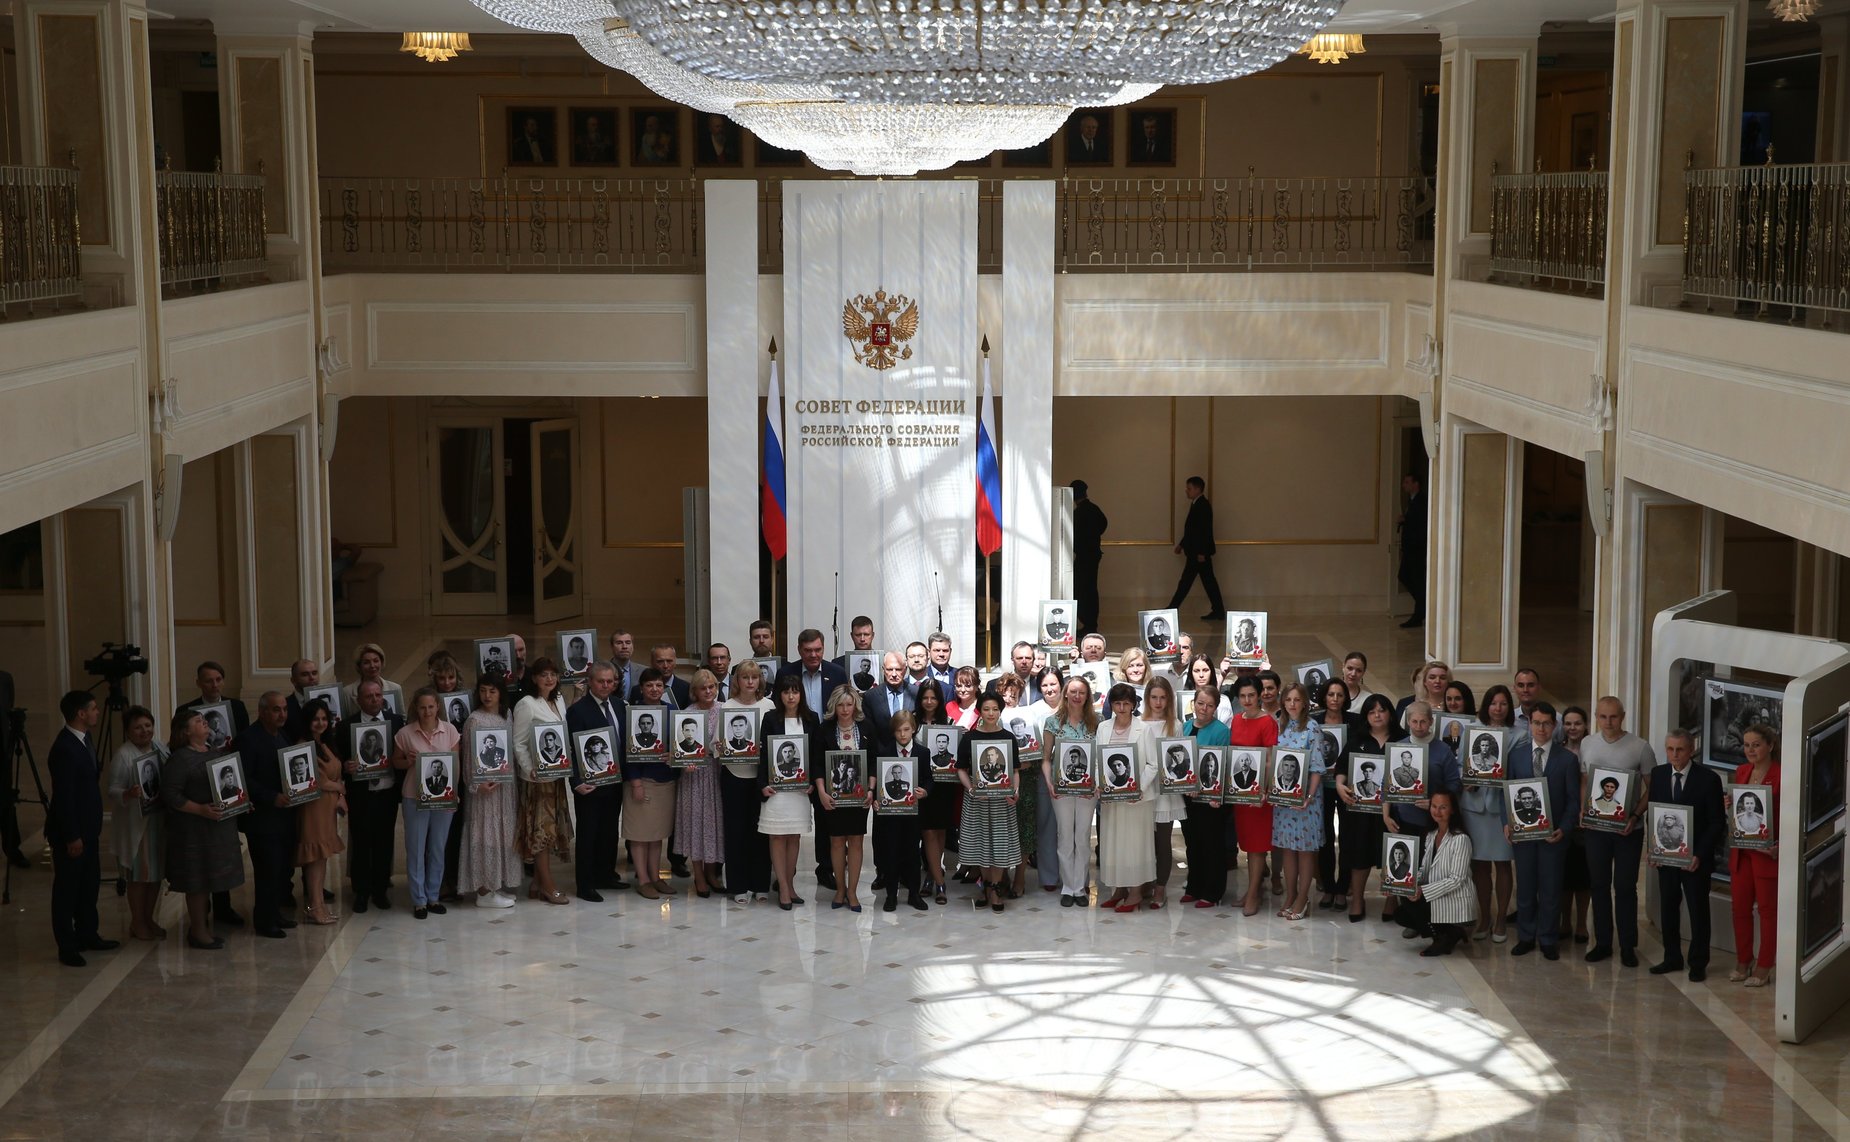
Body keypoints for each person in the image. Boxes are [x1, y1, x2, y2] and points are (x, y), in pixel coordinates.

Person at [1576, 697, 1652, 967]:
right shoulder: (1587, 744)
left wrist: (1635, 816)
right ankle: (1603, 943)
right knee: (1598, 884)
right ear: (1596, 716)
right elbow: (1585, 780)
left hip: (1628, 830)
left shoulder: (1640, 747)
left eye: (1614, 717)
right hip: (1596, 828)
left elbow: (1651, 787)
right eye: (1603, 717)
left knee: (1624, 886)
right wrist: (1584, 808)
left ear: (1623, 716)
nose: (1609, 722)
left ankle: (1628, 946)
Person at [1503, 704, 1579, 960]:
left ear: (1554, 726)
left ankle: (1547, 938)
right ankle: (1525, 936)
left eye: (1547, 723)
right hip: (1523, 836)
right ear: (1530, 724)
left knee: (1550, 889)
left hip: (1552, 837)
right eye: (1537, 723)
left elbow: (1572, 802)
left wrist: (1564, 829)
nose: (1542, 728)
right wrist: (1507, 822)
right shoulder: (1516, 756)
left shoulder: (1567, 759)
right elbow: (1507, 793)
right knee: (1525, 888)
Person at [164, 709, 243, 951]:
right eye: (198, 721)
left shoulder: (214, 751)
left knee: (211, 877)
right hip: (194, 830)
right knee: (197, 881)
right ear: (186, 731)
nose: (204, 723)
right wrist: (200, 809)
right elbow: (170, 795)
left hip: (217, 828)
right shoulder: (179, 759)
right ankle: (198, 930)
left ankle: (204, 926)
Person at [1649, 730, 1725, 982]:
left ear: (1691, 750)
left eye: (1679, 750)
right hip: (1667, 858)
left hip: (1695, 861)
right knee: (1668, 908)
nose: (1674, 755)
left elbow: (1716, 823)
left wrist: (1699, 855)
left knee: (1697, 910)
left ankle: (1698, 962)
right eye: (1670, 749)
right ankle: (1672, 957)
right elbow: (1655, 815)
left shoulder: (1708, 779)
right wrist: (1653, 849)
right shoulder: (1659, 775)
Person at [47, 690, 113, 967]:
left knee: (88, 886)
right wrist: (72, 835)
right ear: (80, 714)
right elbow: (64, 797)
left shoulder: (85, 739)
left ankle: (88, 933)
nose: (98, 712)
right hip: (71, 833)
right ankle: (67, 945)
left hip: (89, 829)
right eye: (93, 709)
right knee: (67, 890)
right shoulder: (64, 748)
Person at [392, 689, 460, 920]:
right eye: (422, 707)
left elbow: (455, 765)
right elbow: (396, 762)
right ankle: (418, 900)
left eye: (431, 707)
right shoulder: (405, 733)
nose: (427, 711)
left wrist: (455, 794)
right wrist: (407, 761)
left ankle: (433, 896)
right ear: (416, 708)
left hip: (443, 798)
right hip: (414, 797)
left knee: (438, 848)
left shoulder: (450, 731)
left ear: (437, 707)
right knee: (416, 848)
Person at [338, 679, 404, 913]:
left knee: (384, 843)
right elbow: (340, 761)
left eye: (378, 695)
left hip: (387, 793)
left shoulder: (396, 722)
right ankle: (361, 891)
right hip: (361, 795)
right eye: (369, 696)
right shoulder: (347, 726)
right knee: (362, 843)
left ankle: (380, 890)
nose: (375, 700)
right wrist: (346, 767)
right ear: (359, 699)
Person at [514, 659, 574, 906]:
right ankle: (548, 886)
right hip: (537, 780)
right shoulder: (526, 704)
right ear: (534, 678)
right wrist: (530, 769)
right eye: (543, 675)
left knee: (552, 829)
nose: (549, 679)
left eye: (553, 674)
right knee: (542, 832)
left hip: (556, 777)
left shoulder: (558, 700)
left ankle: (538, 883)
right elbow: (518, 742)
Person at [565, 662, 626, 903]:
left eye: (610, 681)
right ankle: (585, 883)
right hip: (588, 785)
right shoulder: (577, 711)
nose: (605, 685)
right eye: (601, 681)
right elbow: (570, 750)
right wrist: (576, 781)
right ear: (590, 682)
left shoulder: (620, 706)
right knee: (588, 833)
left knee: (610, 832)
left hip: (615, 781)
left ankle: (606, 875)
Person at [459, 676, 521, 908]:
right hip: (484, 792)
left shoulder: (507, 715)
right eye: (483, 691)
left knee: (502, 834)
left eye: (492, 691)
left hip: (504, 788)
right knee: (484, 835)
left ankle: (496, 885)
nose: (487, 696)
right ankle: (484, 891)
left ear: (500, 693)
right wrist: (476, 785)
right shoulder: (474, 720)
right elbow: (467, 760)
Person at [107, 706, 167, 941]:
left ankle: (149, 918)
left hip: (158, 822)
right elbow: (112, 790)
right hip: (135, 827)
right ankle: (137, 921)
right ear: (128, 731)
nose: (144, 731)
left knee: (155, 876)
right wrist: (129, 793)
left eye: (147, 725)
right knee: (138, 878)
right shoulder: (123, 754)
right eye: (138, 727)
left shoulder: (160, 747)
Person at [959, 693, 1023, 914]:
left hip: (1001, 802)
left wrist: (1015, 790)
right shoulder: (969, 738)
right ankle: (987, 888)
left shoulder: (1008, 737)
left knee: (1000, 846)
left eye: (995, 709)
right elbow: (960, 769)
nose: (991, 713)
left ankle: (995, 889)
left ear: (1000, 711)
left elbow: (1015, 770)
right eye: (986, 709)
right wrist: (971, 789)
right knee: (981, 845)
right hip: (978, 801)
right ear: (980, 711)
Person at [1095, 684, 1157, 913]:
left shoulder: (1145, 729)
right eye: (1117, 703)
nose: (1121, 708)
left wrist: (1138, 786)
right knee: (1114, 845)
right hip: (1112, 800)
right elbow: (1097, 761)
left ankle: (1135, 893)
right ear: (1111, 704)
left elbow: (1153, 764)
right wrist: (1100, 784)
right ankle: (1119, 889)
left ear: (1134, 705)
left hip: (1136, 800)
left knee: (1135, 845)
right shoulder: (1103, 727)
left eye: (1126, 704)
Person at [1463, 684, 1516, 942]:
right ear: (1486, 705)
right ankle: (1484, 916)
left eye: (1503, 703)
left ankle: (1501, 919)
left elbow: (1520, 772)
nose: (1498, 708)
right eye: (1494, 703)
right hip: (1474, 806)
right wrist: (1467, 780)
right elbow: (1460, 764)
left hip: (1501, 808)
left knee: (1503, 864)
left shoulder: (1519, 735)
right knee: (1479, 866)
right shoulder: (1470, 731)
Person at [1728, 723, 1781, 986]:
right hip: (1742, 853)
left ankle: (1764, 965)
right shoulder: (1742, 771)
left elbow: (1794, 817)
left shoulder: (1782, 774)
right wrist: (1729, 803)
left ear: (1770, 745)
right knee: (1739, 908)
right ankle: (1743, 959)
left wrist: (1780, 845)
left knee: (1768, 911)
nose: (1750, 750)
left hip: (1766, 854)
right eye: (1746, 745)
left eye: (1756, 744)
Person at [621, 666, 680, 898]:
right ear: (641, 688)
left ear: (664, 688)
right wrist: (635, 782)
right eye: (649, 685)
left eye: (659, 685)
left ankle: (656, 877)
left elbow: (680, 745)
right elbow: (626, 751)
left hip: (665, 781)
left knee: (657, 834)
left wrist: (674, 755)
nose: (654, 689)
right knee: (639, 834)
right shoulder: (633, 714)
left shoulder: (672, 711)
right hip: (641, 781)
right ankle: (643, 880)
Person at [1337, 694, 1397, 923]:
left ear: (1390, 713)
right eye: (1372, 712)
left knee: (1390, 853)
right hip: (1361, 811)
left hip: (1392, 811)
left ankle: (1392, 899)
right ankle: (1358, 899)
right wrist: (1342, 786)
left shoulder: (1401, 739)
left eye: (1382, 710)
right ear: (1366, 716)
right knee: (1359, 852)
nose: (1377, 715)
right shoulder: (1357, 739)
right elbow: (1342, 767)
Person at [759, 673, 816, 910]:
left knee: (794, 836)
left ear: (801, 694)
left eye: (795, 691)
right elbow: (763, 756)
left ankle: (790, 885)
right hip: (776, 790)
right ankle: (782, 887)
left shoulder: (811, 718)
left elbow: (815, 754)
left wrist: (813, 782)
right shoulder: (771, 718)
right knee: (777, 836)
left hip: (800, 791)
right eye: (786, 691)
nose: (791, 696)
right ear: (779, 695)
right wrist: (763, 783)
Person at [1272, 683, 1327, 921]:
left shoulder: (1312, 728)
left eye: (1297, 700)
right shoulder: (1280, 726)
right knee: (1288, 850)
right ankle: (1290, 895)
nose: (1292, 704)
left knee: (1304, 851)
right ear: (1283, 702)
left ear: (1304, 702)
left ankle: (1303, 898)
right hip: (1283, 799)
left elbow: (1316, 767)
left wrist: (1309, 797)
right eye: (1288, 700)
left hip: (1307, 800)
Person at [814, 684, 871, 912]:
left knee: (856, 841)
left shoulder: (866, 727)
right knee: (836, 842)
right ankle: (839, 889)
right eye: (841, 705)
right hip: (833, 798)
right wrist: (821, 791)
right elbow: (817, 763)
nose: (845, 709)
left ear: (855, 705)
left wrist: (871, 789)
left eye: (849, 704)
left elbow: (874, 760)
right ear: (833, 706)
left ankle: (853, 892)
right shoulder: (824, 729)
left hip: (859, 798)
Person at [719, 662, 773, 903]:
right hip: (733, 776)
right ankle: (738, 886)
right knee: (736, 832)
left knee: (761, 832)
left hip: (762, 778)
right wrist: (718, 747)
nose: (750, 682)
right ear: (737, 681)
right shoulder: (726, 707)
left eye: (755, 677)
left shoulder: (769, 706)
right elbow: (715, 744)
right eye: (745, 677)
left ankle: (760, 883)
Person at [1227, 675, 1279, 915]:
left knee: (1258, 846)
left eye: (1251, 695)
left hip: (1260, 793)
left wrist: (1265, 790)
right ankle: (1252, 889)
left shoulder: (1267, 722)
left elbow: (1270, 760)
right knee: (1246, 844)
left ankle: (1254, 894)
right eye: (1243, 696)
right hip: (1241, 792)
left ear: (1259, 695)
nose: (1247, 700)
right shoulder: (1237, 720)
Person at [673, 670, 728, 899]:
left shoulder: (724, 710)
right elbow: (677, 751)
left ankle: (712, 873)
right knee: (695, 824)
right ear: (694, 691)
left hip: (717, 776)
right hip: (693, 778)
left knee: (714, 824)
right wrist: (683, 763)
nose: (708, 691)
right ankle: (699, 875)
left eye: (712, 687)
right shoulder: (686, 714)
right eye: (703, 688)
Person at [291, 699, 347, 926]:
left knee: (322, 857)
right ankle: (314, 906)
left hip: (327, 808)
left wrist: (340, 792)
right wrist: (340, 788)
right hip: (313, 807)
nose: (320, 723)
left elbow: (336, 773)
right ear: (307, 721)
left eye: (324, 719)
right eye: (316, 719)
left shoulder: (325, 743)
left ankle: (320, 903)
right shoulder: (302, 745)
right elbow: (317, 780)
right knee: (313, 857)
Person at [1399, 790, 1475, 956]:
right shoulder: (1431, 834)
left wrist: (1423, 890)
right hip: (1438, 893)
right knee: (1402, 905)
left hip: (1455, 897)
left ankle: (1443, 936)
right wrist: (1403, 884)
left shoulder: (1461, 839)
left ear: (1453, 810)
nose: (1437, 811)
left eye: (1443, 807)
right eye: (1434, 806)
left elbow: (1457, 879)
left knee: (1415, 903)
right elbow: (1424, 869)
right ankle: (1449, 932)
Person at [1177, 684, 1231, 909]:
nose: (1204, 709)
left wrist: (1215, 794)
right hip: (1189, 797)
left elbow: (1223, 766)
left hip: (1211, 798)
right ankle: (1194, 887)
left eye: (1210, 705)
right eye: (1200, 704)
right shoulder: (1186, 726)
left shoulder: (1221, 731)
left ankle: (1213, 891)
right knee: (1192, 843)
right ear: (1194, 704)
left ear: (1216, 708)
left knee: (1212, 845)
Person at [873, 712, 931, 912]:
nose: (903, 734)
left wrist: (925, 791)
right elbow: (879, 783)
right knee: (891, 852)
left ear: (913, 729)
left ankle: (914, 893)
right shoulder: (884, 753)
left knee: (912, 852)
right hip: (890, 816)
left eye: (906, 729)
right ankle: (891, 894)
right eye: (898, 730)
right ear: (893, 732)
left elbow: (928, 779)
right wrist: (876, 801)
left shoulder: (923, 753)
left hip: (913, 814)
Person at [913, 679, 962, 905]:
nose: (929, 701)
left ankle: (931, 877)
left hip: (945, 786)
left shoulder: (950, 722)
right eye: (925, 697)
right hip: (922, 786)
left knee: (941, 833)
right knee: (928, 833)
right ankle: (940, 882)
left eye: (933, 697)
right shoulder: (912, 721)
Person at [1141, 676, 1185, 909]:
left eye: (1163, 698)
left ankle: (1160, 887)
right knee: (1144, 841)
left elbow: (1179, 757)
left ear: (1169, 699)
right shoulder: (1139, 723)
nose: (1158, 702)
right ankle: (1146, 882)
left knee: (1163, 841)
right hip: (1145, 788)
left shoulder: (1175, 725)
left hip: (1166, 791)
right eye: (1154, 697)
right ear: (1147, 699)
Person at [1166, 476, 1224, 619]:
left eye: (1189, 488)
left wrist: (1202, 552)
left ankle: (1172, 608)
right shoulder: (1197, 504)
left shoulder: (1202, 506)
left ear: (1198, 489)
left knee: (1187, 582)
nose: (1186, 491)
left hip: (1198, 554)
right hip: (1196, 552)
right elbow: (1192, 530)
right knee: (1207, 582)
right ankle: (1218, 610)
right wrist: (1181, 544)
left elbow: (1204, 531)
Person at [864, 651, 917, 758]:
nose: (893, 674)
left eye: (898, 669)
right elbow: (870, 731)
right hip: (880, 756)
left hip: (912, 756)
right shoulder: (870, 697)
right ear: (883, 670)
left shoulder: (917, 693)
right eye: (889, 669)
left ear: (905, 670)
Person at [341, 642, 404, 720]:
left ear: (382, 662)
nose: (372, 666)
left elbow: (402, 719)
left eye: (376, 661)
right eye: (366, 662)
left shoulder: (395, 688)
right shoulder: (347, 692)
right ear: (359, 666)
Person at [1399, 470, 1427, 627]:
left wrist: (1406, 520)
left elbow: (1420, 525)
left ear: (1416, 484)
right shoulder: (1411, 501)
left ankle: (1421, 610)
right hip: (1410, 548)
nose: (1404, 485)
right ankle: (1421, 608)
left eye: (1407, 482)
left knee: (1414, 580)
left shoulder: (1421, 502)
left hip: (1416, 549)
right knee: (1405, 576)